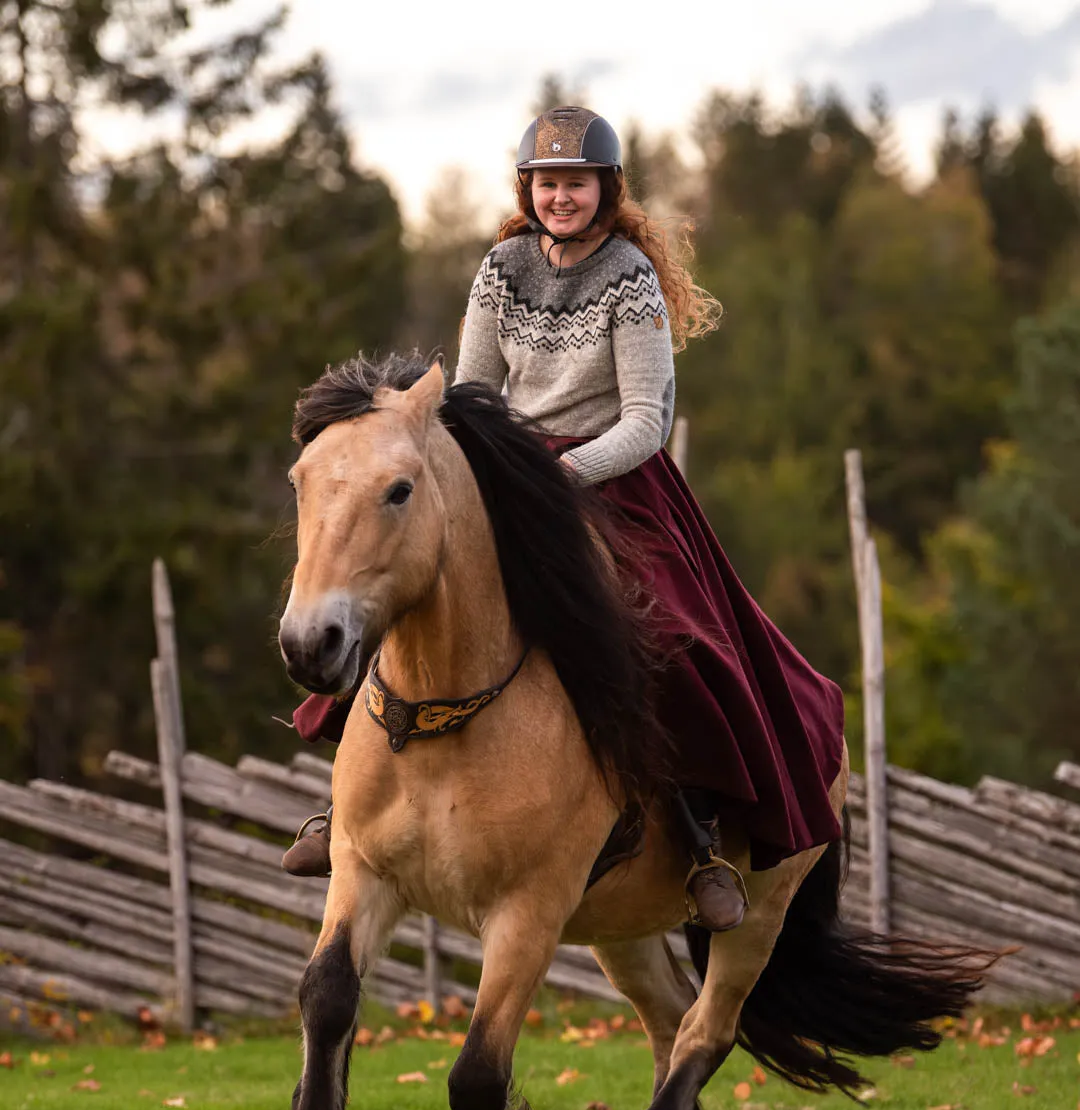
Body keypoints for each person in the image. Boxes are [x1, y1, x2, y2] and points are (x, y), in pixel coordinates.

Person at [283, 105, 846, 935]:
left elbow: (646, 421)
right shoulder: (501, 266)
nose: (560, 196)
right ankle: (352, 810)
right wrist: (489, 477)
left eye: (576, 182)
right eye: (547, 182)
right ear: (529, 189)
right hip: (507, 474)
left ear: (605, 189)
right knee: (402, 588)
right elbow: (469, 396)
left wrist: (559, 476)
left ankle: (697, 845)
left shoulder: (632, 277)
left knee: (673, 641)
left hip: (615, 481)